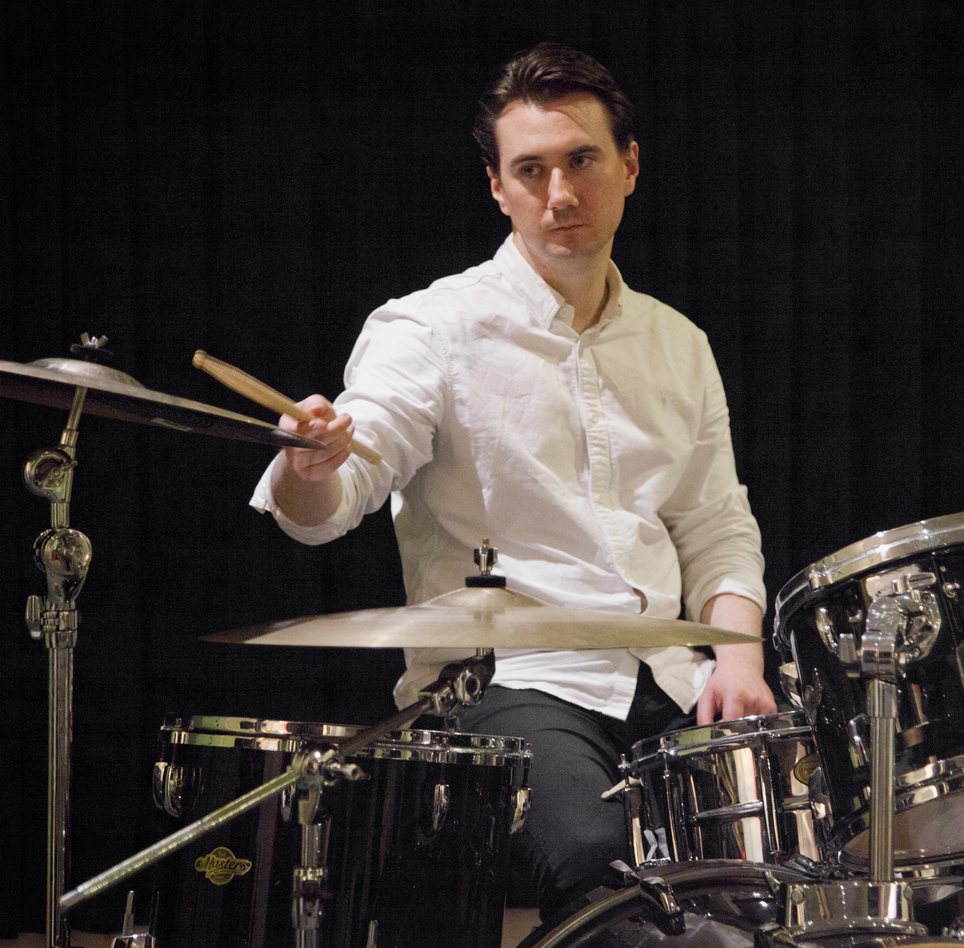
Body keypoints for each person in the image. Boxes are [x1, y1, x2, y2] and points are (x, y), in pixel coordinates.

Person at [249, 41, 776, 924]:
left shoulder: (679, 343)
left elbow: (716, 525)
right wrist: (313, 465)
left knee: (785, 868)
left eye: (582, 161)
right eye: (531, 170)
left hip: (669, 679)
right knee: (600, 867)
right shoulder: (429, 327)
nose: (559, 194)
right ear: (497, 186)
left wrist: (740, 659)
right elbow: (333, 499)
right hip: (507, 684)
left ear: (630, 166)